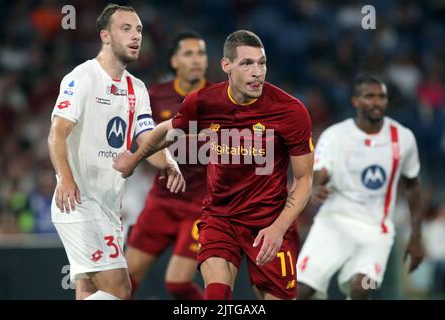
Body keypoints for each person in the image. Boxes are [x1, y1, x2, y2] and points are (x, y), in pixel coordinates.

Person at [114, 30, 314, 300]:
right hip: (221, 218)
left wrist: (278, 229)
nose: (257, 72)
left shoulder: (290, 111)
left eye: (262, 63)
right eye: (247, 63)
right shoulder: (204, 102)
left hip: (269, 221)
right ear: (226, 65)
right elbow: (166, 130)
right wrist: (134, 159)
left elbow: (303, 180)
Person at [47, 4, 184, 300]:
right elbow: (56, 134)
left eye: (139, 30)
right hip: (79, 202)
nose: (136, 36)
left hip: (108, 207)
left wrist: (168, 162)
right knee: (121, 289)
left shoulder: (137, 88)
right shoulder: (82, 77)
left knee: (89, 290)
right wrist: (65, 178)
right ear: (105, 36)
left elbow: (147, 140)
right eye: (126, 29)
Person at [296, 74, 424, 300]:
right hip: (333, 223)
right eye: (369, 96)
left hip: (376, 234)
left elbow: (413, 185)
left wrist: (416, 235)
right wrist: (316, 187)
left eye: (381, 97)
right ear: (356, 100)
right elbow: (320, 171)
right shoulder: (335, 135)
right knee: (302, 289)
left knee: (363, 287)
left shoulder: (403, 138)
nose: (376, 102)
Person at [126, 31, 209, 299]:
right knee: (125, 281)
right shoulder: (154, 96)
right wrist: (164, 161)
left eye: (201, 53)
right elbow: (145, 142)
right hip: (161, 201)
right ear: (174, 61)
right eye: (188, 53)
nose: (196, 59)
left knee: (177, 284)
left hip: (201, 206)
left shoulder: (221, 98)